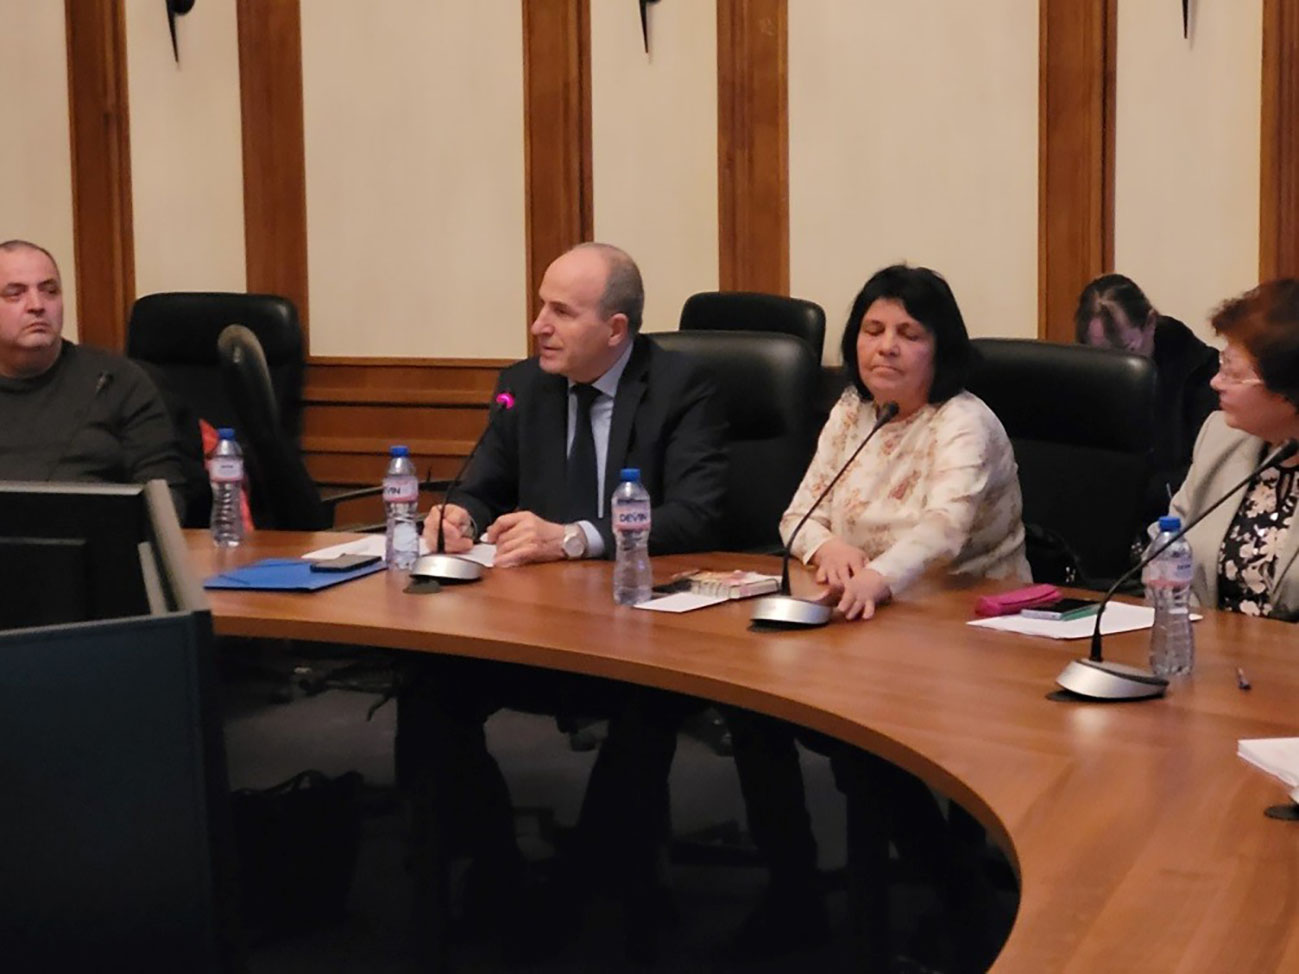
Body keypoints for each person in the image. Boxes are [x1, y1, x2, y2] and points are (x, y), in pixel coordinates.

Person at [401, 242, 727, 961]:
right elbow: (482, 483)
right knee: (426, 688)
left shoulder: (682, 387)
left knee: (646, 713)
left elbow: (698, 514)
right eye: (539, 306)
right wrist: (458, 516)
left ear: (615, 329)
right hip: (534, 627)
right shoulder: (523, 386)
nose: (538, 326)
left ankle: (582, 887)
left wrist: (578, 537)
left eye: (560, 312)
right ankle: (495, 869)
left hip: (640, 630)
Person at [725, 265, 1028, 969]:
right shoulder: (853, 412)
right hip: (867, 626)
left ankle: (963, 904)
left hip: (969, 630)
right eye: (871, 329)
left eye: (908, 333)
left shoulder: (964, 422)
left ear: (940, 347)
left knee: (868, 748)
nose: (885, 347)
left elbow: (943, 531)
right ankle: (794, 890)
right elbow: (797, 513)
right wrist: (828, 548)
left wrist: (875, 579)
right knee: (752, 709)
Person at [0, 239, 187, 519]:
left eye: (50, 291)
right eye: (15, 294)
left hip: (101, 541)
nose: (37, 305)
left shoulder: (119, 381)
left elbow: (166, 498)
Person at [1171, 279, 1299, 622]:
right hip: (1208, 646)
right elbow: (1169, 550)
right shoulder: (1221, 438)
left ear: (1285, 391)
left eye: (1231, 371)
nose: (1216, 382)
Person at [1075, 274, 1219, 521]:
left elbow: (1201, 475)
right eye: (1098, 354)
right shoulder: (1082, 373)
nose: (1113, 365)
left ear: (1150, 323)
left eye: (1124, 350)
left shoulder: (1200, 375)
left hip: (1169, 517)